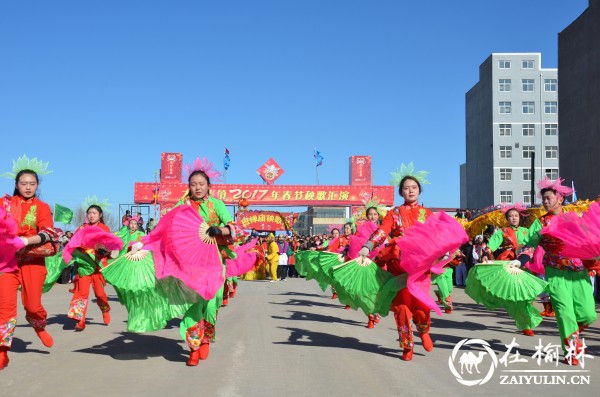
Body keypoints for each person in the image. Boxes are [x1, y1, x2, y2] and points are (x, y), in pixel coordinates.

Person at [517, 177, 597, 365]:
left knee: (588, 314)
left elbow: (589, 242)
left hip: (579, 271)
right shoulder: (540, 223)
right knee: (564, 312)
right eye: (543, 199)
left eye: (548, 198)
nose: (544, 202)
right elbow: (530, 246)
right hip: (555, 272)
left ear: (560, 199)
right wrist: (520, 261)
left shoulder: (574, 218)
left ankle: (574, 336)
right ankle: (571, 349)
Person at [359, 174, 434, 361]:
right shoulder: (394, 213)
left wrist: (447, 252)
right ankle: (406, 345)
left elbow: (437, 237)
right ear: (401, 192)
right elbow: (382, 231)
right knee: (402, 307)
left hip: (420, 266)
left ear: (419, 191)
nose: (410, 190)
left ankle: (423, 330)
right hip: (398, 264)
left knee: (421, 307)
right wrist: (368, 246)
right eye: (406, 188)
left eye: (414, 187)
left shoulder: (428, 214)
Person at [168, 166, 238, 365]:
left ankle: (207, 334)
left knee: (212, 301)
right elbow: (167, 225)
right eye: (193, 184)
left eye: (201, 184)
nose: (197, 188)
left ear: (208, 186)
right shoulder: (182, 204)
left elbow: (233, 227)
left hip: (215, 259)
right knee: (194, 302)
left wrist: (220, 230)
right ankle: (194, 347)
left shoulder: (217, 204)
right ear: (188, 187)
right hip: (191, 262)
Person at [1, 164, 55, 370]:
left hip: (32, 260)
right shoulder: (4, 204)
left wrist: (26, 241)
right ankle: (3, 350)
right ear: (16, 185)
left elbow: (49, 232)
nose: (28, 187)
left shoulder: (41, 207)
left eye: (32, 183)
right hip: (7, 262)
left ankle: (39, 325)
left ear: (37, 185)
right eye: (23, 183)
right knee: (5, 308)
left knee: (32, 306)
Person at [67, 204, 113, 331]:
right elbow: (73, 242)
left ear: (100, 215)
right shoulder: (82, 227)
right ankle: (80, 320)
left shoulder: (104, 228)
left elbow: (107, 245)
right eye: (90, 213)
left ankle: (105, 310)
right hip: (84, 266)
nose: (91, 215)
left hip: (98, 267)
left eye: (94, 213)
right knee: (82, 293)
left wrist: (102, 250)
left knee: (99, 294)